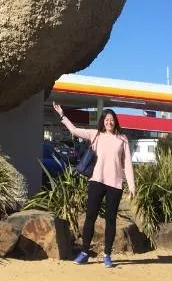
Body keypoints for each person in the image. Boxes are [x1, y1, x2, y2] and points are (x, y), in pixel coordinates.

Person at [52, 102, 135, 269]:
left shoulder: (122, 139)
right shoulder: (95, 134)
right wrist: (62, 115)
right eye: (106, 119)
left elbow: (127, 164)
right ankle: (84, 252)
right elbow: (74, 130)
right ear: (102, 121)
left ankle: (107, 255)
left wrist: (132, 185)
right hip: (96, 181)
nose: (109, 122)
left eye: (112, 120)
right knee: (90, 217)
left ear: (115, 121)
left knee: (110, 220)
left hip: (115, 184)